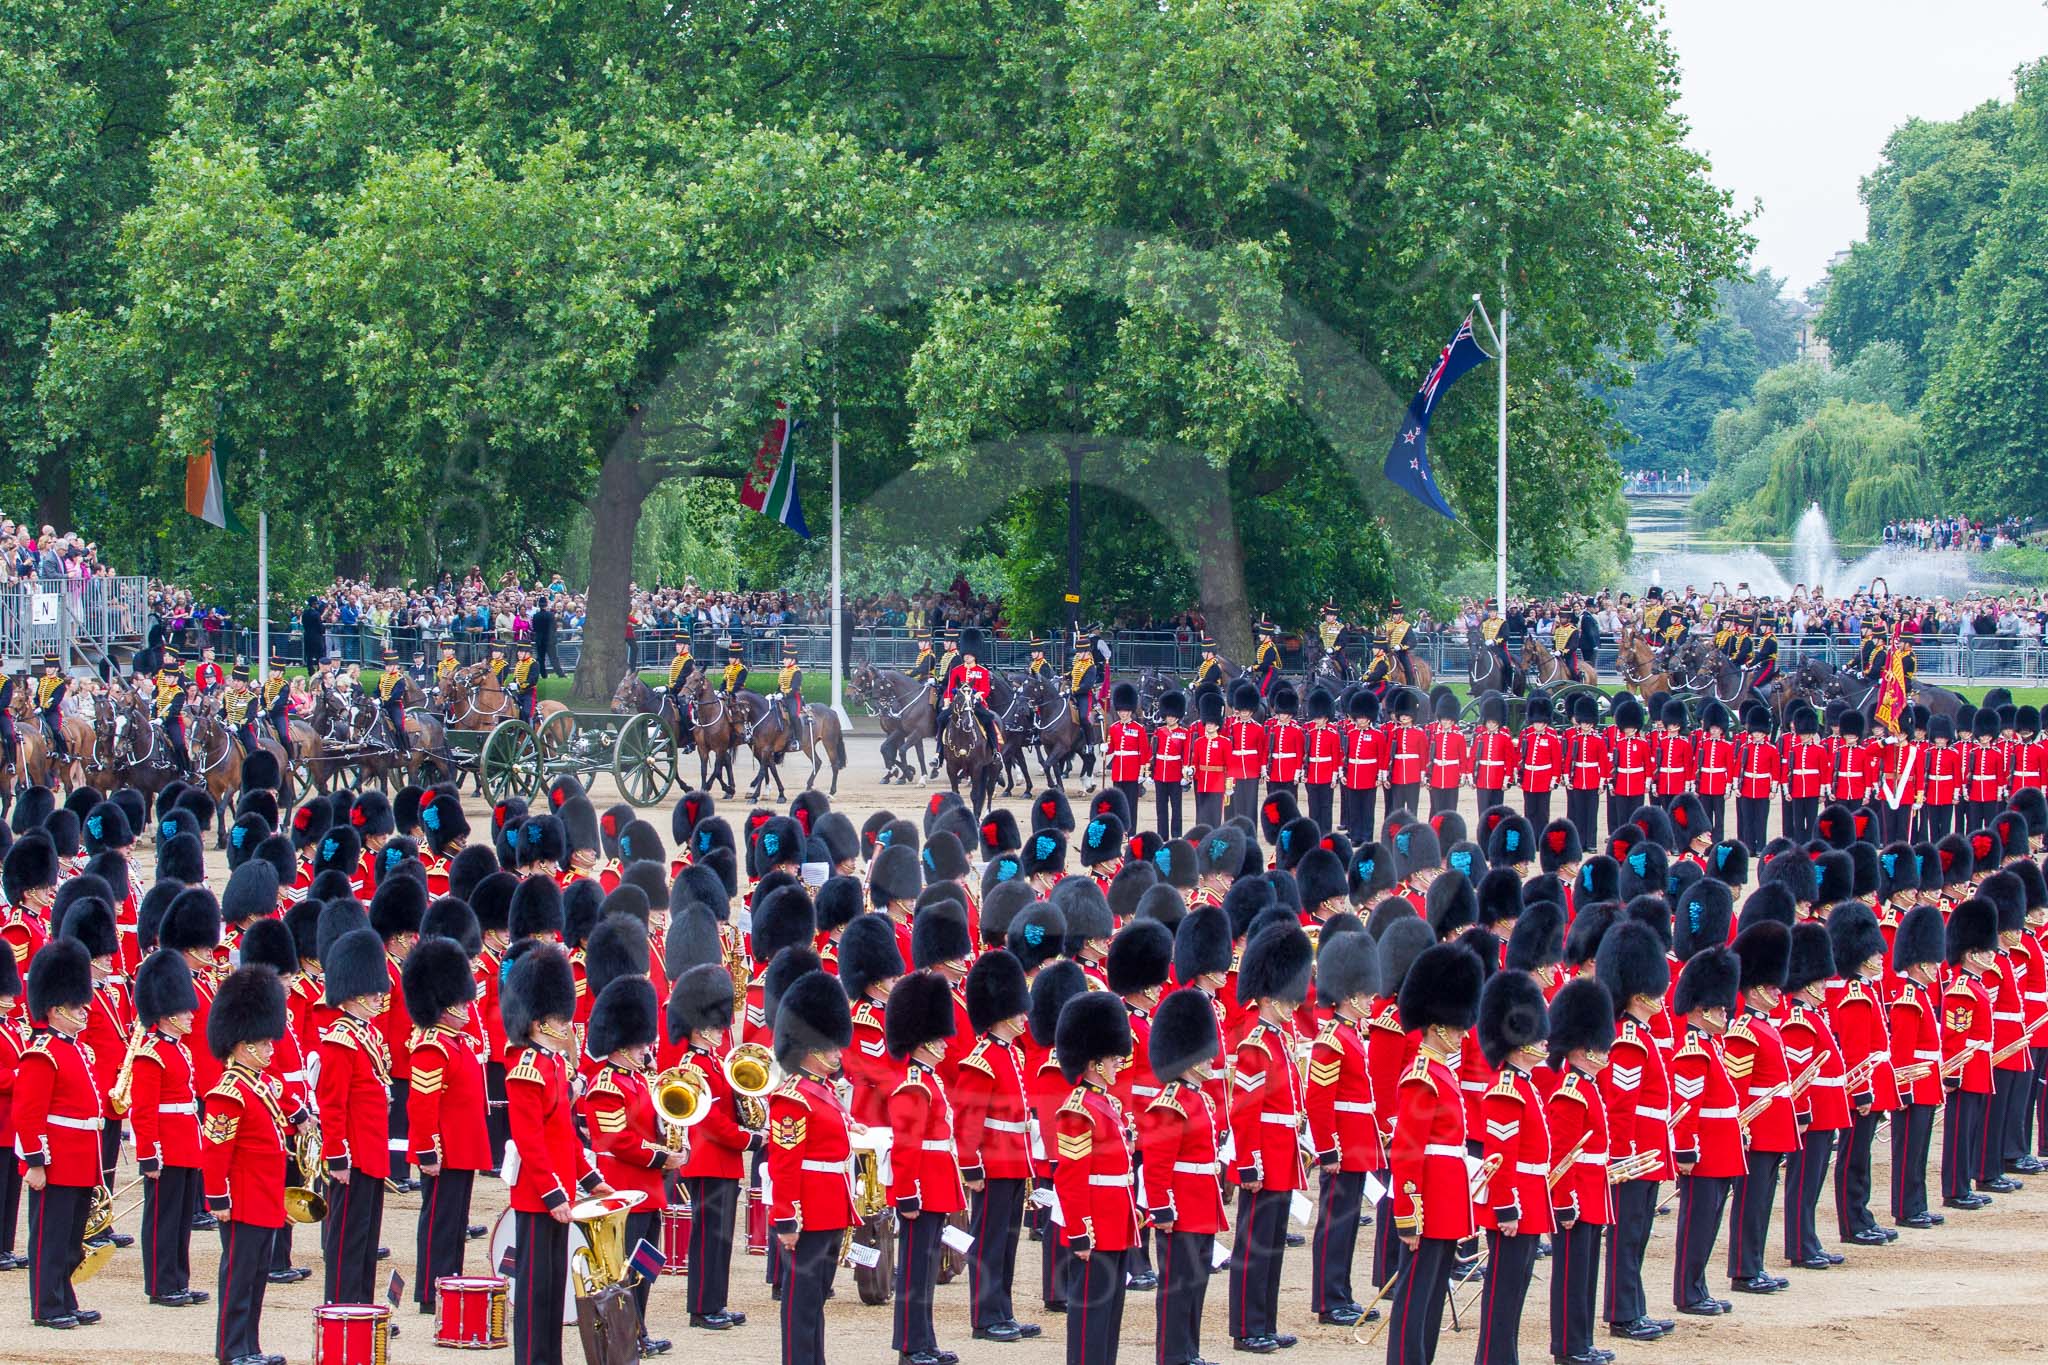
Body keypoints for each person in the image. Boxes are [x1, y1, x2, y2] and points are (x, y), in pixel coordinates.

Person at [502, 942, 607, 1365]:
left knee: (553, 1286)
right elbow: (530, 1141)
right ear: (540, 1020)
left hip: (560, 1191)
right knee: (534, 1289)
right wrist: (553, 1194)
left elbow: (564, 1134)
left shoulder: (554, 1065)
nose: (567, 1025)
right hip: (538, 1195)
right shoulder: (526, 1069)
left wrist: (591, 1180)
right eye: (562, 1019)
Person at [1384, 942, 1483, 1365]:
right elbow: (1407, 1152)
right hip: (1427, 1205)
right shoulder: (1422, 1075)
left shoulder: (1442, 1071)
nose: (1464, 1034)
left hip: (1447, 1201)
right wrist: (1409, 1214)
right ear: (1439, 1026)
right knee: (1415, 1297)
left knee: (1432, 1296)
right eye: (1458, 1028)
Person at [201, 966, 293, 1365]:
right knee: (239, 1278)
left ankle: (250, 1346)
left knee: (255, 1278)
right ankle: (231, 1349)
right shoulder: (228, 1093)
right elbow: (215, 1151)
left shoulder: (258, 1085)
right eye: (264, 1043)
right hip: (242, 1199)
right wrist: (217, 1198)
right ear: (242, 1045)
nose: (271, 1050)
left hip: (264, 1196)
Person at [580, 976, 674, 1355]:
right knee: (625, 1270)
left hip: (648, 1190)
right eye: (639, 1044)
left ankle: (638, 1330)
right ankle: (625, 1337)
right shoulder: (605, 1086)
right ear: (620, 1045)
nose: (645, 1049)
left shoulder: (641, 1081)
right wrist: (662, 1155)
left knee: (645, 1267)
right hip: (625, 1191)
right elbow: (616, 1141)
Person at [767, 970, 856, 1365]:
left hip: (831, 1207)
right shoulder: (793, 1098)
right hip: (809, 1212)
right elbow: (784, 1165)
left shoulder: (823, 1090)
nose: (838, 1054)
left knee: (816, 1299)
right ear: (808, 1048)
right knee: (801, 1303)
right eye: (830, 1047)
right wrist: (786, 1218)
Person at [949, 950, 1038, 1345]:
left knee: (1007, 1242)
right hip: (993, 1163)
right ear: (1002, 1013)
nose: (1025, 1018)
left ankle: (1003, 1310)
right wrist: (971, 1166)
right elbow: (968, 1120)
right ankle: (984, 1317)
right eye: (1019, 1012)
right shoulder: (981, 1059)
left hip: (1015, 1159)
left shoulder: (1011, 1054)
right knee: (988, 1242)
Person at [16, 939, 103, 1329]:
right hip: (57, 1160)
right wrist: (35, 1162)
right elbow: (28, 1114)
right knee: (50, 1238)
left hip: (81, 1157)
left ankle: (65, 1297)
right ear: (54, 1009)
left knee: (70, 1240)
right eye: (75, 1005)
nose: (83, 1010)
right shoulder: (42, 1053)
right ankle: (46, 1305)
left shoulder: (78, 1050)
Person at [1139, 987, 1226, 1365]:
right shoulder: (1170, 1103)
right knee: (1177, 1288)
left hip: (1202, 1204)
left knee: (1195, 1285)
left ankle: (1189, 1351)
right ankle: (1172, 1355)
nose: (1210, 1060)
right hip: (1181, 1209)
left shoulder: (1200, 1098)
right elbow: (1157, 1165)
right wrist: (1162, 1208)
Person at [404, 936, 489, 1316]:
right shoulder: (432, 1047)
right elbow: (422, 1105)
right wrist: (427, 1151)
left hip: (463, 1148)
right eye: (460, 1002)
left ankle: (449, 1285)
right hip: (444, 1151)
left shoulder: (457, 1042)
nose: (466, 1008)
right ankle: (430, 1291)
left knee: (455, 1224)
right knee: (440, 1222)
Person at [1052, 990, 1138, 1365]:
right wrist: (1080, 1232)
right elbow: (1070, 1180)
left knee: (1110, 1313)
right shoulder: (1078, 1110)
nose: (1119, 1061)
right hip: (1096, 1226)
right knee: (1090, 1315)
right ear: (1092, 1062)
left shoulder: (1107, 1103)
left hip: (1116, 1222)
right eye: (1111, 1057)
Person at [667, 962, 753, 1332]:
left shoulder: (713, 1062)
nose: (722, 1030)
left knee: (721, 1240)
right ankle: (701, 1307)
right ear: (699, 1026)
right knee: (707, 1239)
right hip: (708, 1159)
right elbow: (710, 1120)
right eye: (716, 1025)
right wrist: (749, 1138)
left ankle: (716, 1301)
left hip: (723, 1161)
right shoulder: (693, 1066)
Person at [1304, 931, 1383, 1329]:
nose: (1371, 1000)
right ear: (1350, 997)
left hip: (1357, 1143)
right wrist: (1328, 1149)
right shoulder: (1333, 1039)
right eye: (1366, 995)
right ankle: (1328, 1299)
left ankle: (1342, 1293)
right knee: (1335, 1223)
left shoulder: (1350, 1035)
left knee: (1348, 1223)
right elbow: (1319, 1101)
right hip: (1342, 1146)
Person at [884, 970, 964, 1365]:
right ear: (922, 1041)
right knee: (915, 1272)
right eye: (938, 1038)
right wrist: (907, 1194)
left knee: (927, 1268)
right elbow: (907, 1147)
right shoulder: (914, 1084)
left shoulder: (929, 1080)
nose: (945, 1044)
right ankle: (910, 1346)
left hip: (936, 1184)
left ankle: (925, 1340)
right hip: (921, 1188)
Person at [315, 926, 394, 1306]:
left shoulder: (368, 1035)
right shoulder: (340, 1041)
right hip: (353, 1154)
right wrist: (337, 1156)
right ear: (353, 993)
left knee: (366, 1236)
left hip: (371, 1151)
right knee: (347, 1237)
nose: (380, 997)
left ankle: (363, 1307)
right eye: (373, 992)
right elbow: (332, 1104)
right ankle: (342, 1307)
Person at [1544, 977, 1616, 1365]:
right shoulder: (1570, 1091)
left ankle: (1582, 1341)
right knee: (1572, 1276)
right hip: (1575, 1195)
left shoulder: (1587, 1086)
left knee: (1586, 1275)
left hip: (1591, 1192)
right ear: (1581, 1048)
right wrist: (1564, 1201)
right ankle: (1568, 1347)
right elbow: (1563, 1155)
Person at [130, 949, 207, 1308]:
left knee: (180, 1220)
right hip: (166, 1148)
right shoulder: (151, 1054)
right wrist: (149, 1154)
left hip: (186, 1143)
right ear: (166, 1014)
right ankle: (161, 1284)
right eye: (184, 1011)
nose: (191, 1015)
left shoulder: (181, 1050)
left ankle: (178, 1279)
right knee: (163, 1219)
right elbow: (143, 1111)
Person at [1669, 947, 1743, 1317]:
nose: (1726, 1013)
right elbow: (1687, 1107)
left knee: (1709, 1223)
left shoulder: (1711, 1046)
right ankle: (1688, 1292)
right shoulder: (1693, 1049)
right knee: (1697, 1225)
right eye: (1720, 1008)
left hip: (1721, 1149)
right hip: (1705, 1153)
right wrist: (1685, 1149)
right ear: (1701, 1009)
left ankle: (1697, 1287)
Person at [1104, 684, 1150, 825]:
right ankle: (1120, 829)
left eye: (1125, 711)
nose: (1123, 713)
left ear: (1130, 711)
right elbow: (1112, 749)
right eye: (1120, 711)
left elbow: (1144, 751)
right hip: (1118, 771)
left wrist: (1143, 772)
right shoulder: (1114, 728)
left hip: (1132, 771)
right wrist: (1105, 748)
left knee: (1131, 804)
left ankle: (1131, 830)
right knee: (1117, 804)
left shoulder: (1139, 729)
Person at [36, 654, 70, 765]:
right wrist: (36, 706)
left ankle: (64, 752)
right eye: (47, 667)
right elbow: (37, 697)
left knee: (55, 729)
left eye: (50, 667)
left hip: (52, 712)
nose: (48, 669)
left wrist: (43, 709)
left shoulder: (60, 684)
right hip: (38, 711)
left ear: (56, 668)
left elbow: (55, 700)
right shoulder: (42, 681)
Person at [377, 648, 410, 754]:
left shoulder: (400, 679)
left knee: (399, 725)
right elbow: (377, 691)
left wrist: (382, 702)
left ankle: (405, 749)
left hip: (394, 706)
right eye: (386, 665)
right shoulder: (382, 677)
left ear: (395, 666)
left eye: (390, 665)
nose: (387, 668)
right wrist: (373, 698)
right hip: (381, 706)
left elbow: (395, 695)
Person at [775, 640, 805, 753]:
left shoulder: (797, 671)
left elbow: (794, 688)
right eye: (784, 658)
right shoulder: (782, 671)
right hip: (783, 698)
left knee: (793, 716)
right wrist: (775, 694)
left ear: (793, 660)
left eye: (786, 659)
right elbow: (780, 687)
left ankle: (798, 740)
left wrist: (783, 695)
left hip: (793, 698)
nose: (784, 660)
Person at [530, 595, 560, 678]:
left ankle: (543, 674)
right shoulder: (550, 615)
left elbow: (534, 628)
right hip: (549, 639)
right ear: (546, 605)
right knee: (553, 658)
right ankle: (559, 673)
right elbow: (554, 627)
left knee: (541, 658)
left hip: (540, 640)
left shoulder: (536, 616)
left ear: (539, 605)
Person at [510, 643, 539, 727]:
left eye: (521, 652)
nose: (518, 653)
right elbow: (515, 678)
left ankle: (530, 730)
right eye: (518, 651)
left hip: (529, 692)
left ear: (528, 653)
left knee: (526, 712)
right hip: (518, 693)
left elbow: (533, 680)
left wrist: (519, 686)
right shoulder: (519, 664)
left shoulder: (533, 663)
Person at [1252, 621, 1282, 698]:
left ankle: (1265, 706)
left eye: (1262, 634)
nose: (1259, 636)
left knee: (1260, 691)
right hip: (1265, 673)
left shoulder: (1270, 647)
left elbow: (1265, 665)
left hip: (1270, 672)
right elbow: (1259, 661)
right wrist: (1251, 666)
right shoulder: (1263, 646)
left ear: (1267, 636)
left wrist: (1254, 668)